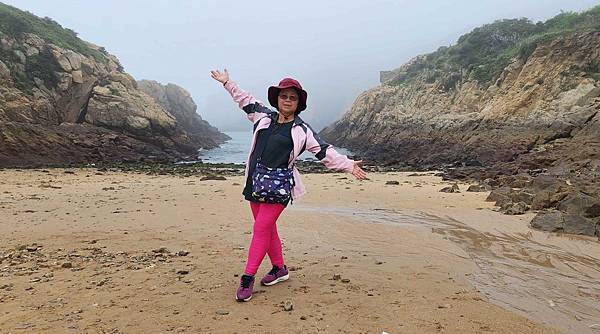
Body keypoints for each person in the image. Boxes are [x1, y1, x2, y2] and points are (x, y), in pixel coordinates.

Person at [210, 69, 367, 302]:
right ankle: (279, 269)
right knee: (267, 228)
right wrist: (227, 83)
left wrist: (347, 164)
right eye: (284, 96)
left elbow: (324, 151)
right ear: (277, 99)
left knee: (261, 228)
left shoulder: (303, 130)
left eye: (292, 97)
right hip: (255, 182)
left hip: (281, 186)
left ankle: (247, 277)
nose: (287, 100)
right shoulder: (262, 115)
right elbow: (244, 98)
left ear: (298, 103)